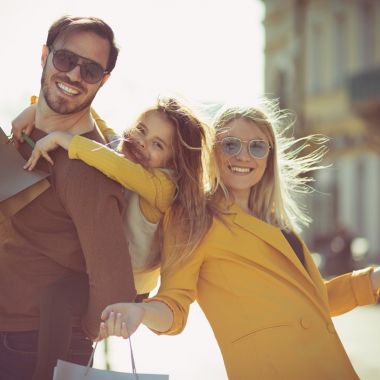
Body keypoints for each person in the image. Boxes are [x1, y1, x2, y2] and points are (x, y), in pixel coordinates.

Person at [99, 101, 380, 380]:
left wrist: (373, 280)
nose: (244, 156)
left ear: (268, 156)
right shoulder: (194, 218)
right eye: (231, 144)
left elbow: (318, 302)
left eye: (257, 147)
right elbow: (174, 305)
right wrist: (141, 312)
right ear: (213, 152)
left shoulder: (279, 225)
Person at [11, 96, 211, 379]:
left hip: (129, 289)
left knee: (58, 298)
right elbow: (99, 124)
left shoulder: (164, 187)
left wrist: (64, 139)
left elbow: (116, 166)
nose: (142, 142)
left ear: (173, 163)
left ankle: (46, 374)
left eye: (158, 144)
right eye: (141, 130)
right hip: (105, 269)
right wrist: (35, 108)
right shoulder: (127, 153)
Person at [0, 15, 137, 380]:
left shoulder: (86, 168)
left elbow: (114, 288)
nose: (75, 75)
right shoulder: (27, 131)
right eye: (65, 60)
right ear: (44, 55)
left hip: (29, 346)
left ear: (103, 81)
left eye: (91, 70)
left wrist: (74, 342)